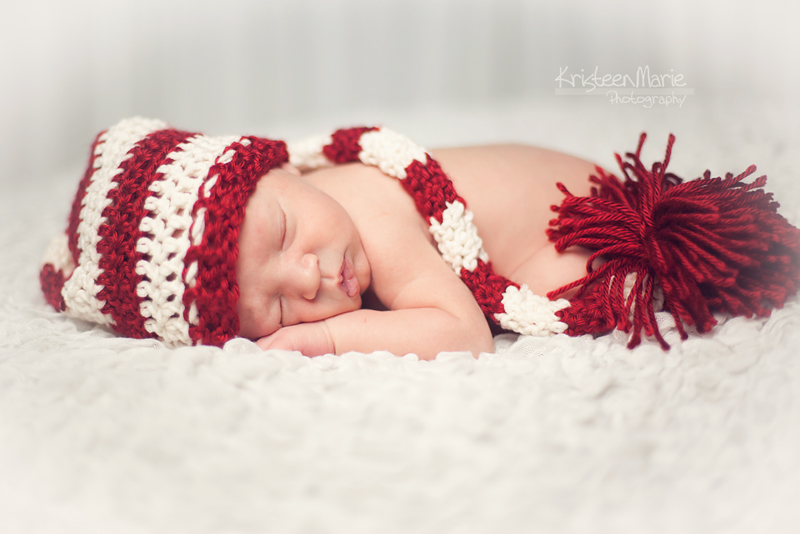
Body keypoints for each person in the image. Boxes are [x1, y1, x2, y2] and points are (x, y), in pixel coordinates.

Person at [40, 118, 800, 359]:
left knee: (619, 287)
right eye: (270, 312)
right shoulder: (318, 204)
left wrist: (327, 342)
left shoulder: (367, 208)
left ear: (279, 166)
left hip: (581, 220)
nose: (303, 280)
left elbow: (463, 330)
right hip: (575, 183)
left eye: (281, 233)